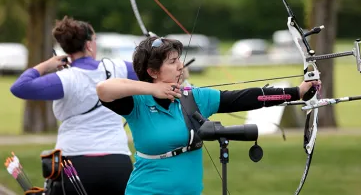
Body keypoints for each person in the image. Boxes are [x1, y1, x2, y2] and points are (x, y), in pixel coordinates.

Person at [96, 36, 320, 195]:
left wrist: (296, 92)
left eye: (179, 60)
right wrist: (152, 89)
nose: (180, 66)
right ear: (153, 72)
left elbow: (245, 97)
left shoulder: (194, 97)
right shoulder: (137, 102)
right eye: (172, 62)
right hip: (145, 190)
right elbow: (103, 89)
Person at [10, 16, 137, 195]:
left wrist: (46, 65)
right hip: (117, 161)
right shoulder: (118, 68)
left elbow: (19, 87)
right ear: (88, 45)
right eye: (94, 40)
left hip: (75, 162)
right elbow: (153, 71)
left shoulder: (65, 78)